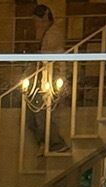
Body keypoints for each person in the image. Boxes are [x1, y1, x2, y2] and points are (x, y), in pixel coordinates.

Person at [26, 4, 70, 153]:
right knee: (36, 115)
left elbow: (52, 59)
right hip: (44, 79)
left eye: (37, 20)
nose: (35, 24)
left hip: (49, 79)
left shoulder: (53, 35)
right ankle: (46, 142)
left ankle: (53, 142)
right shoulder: (47, 33)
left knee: (42, 113)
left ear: (44, 17)